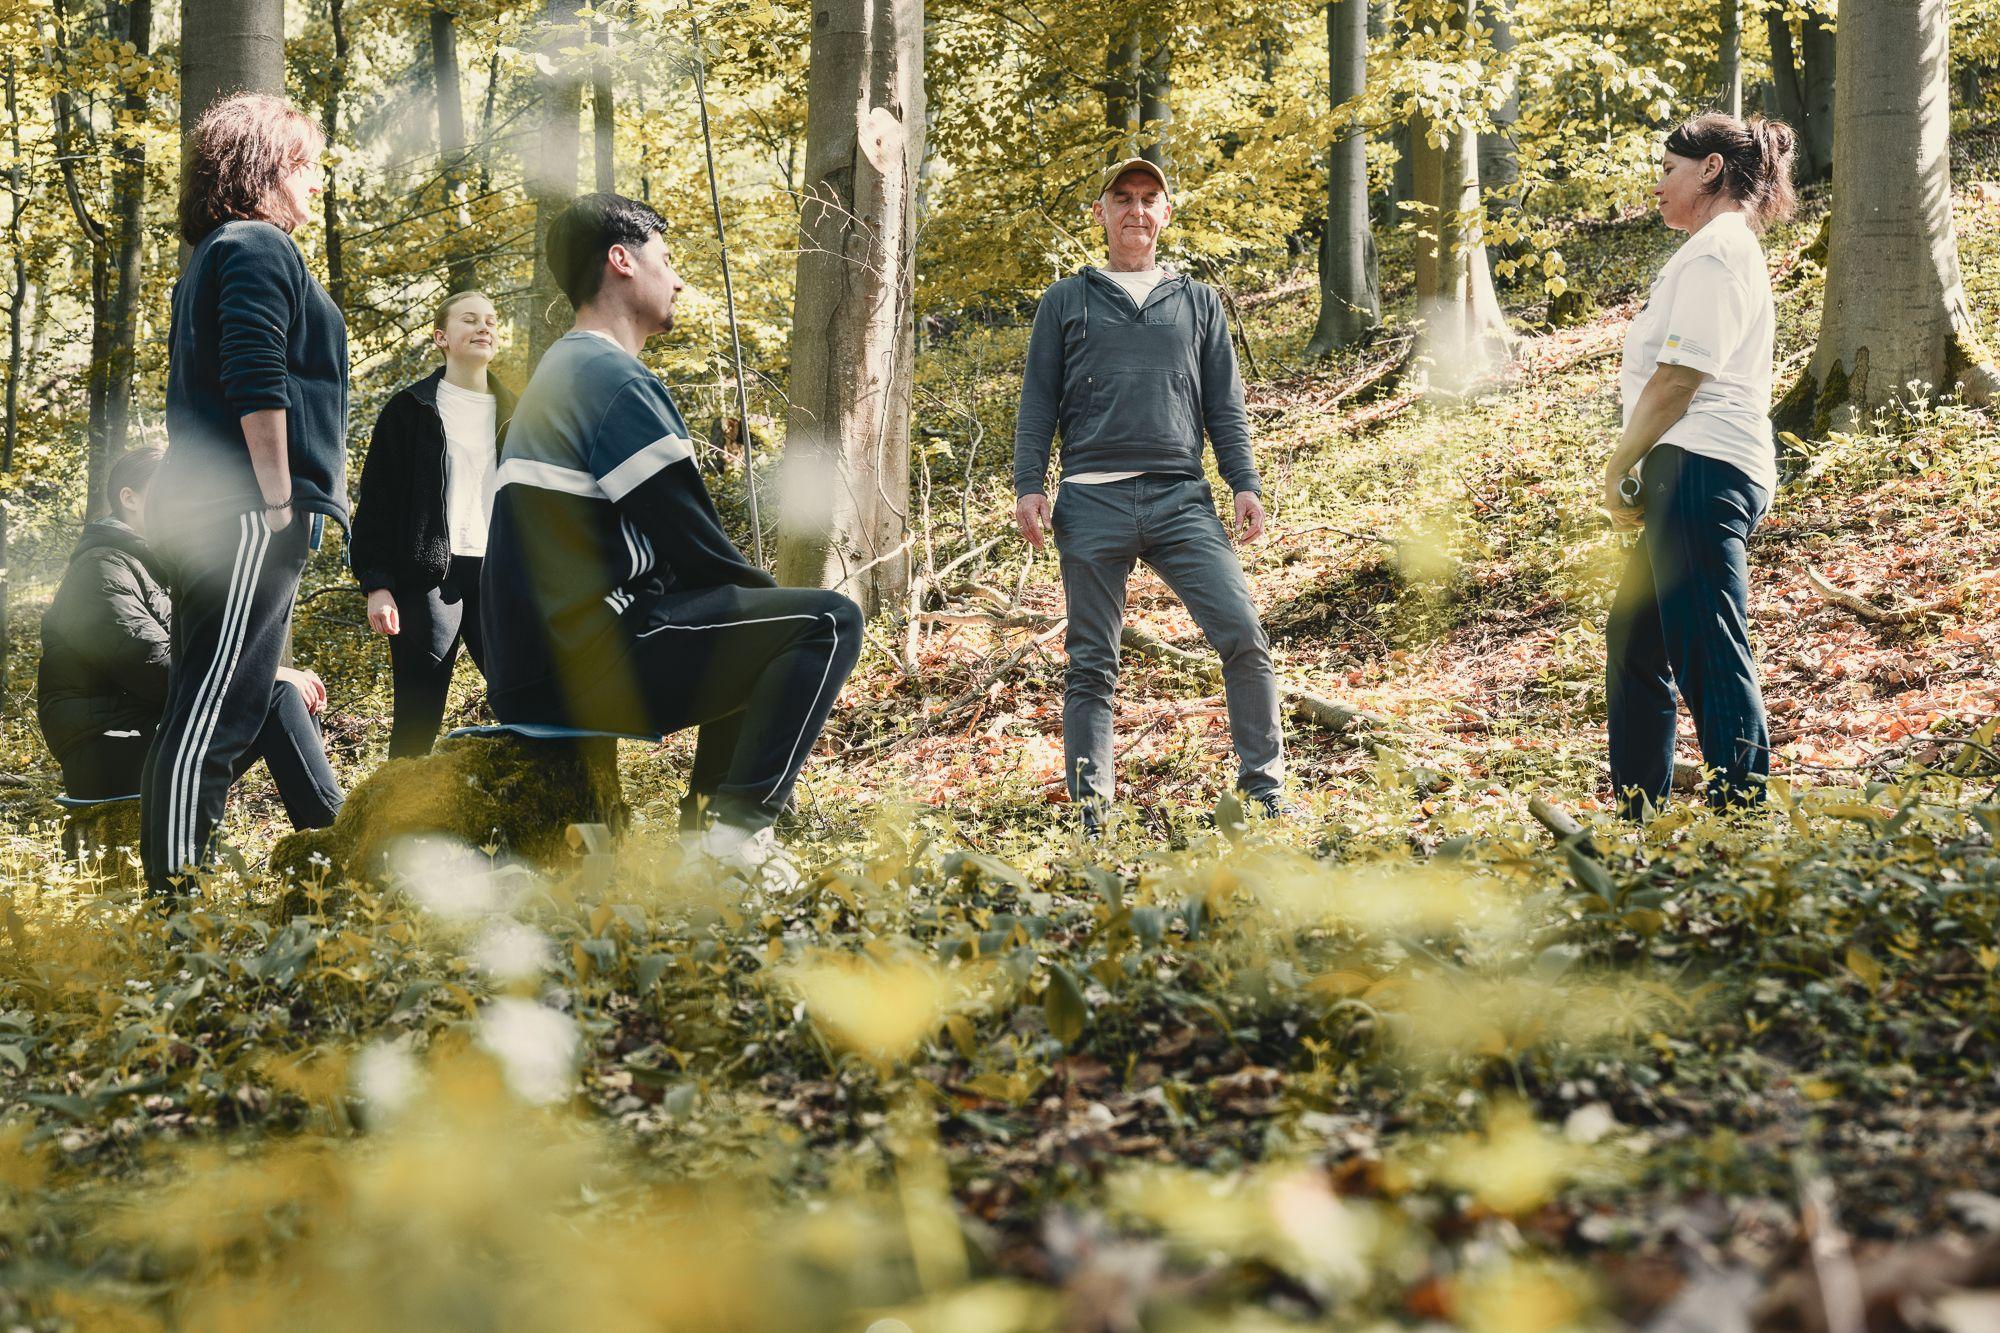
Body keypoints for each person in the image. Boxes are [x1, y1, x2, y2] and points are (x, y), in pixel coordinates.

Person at [480, 192, 861, 883]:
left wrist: (756, 612)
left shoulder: (561, 375)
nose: (678, 276)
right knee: (825, 623)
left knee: (758, 616)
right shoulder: (607, 379)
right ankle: (732, 838)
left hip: (538, 665)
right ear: (621, 262)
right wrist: (774, 616)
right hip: (582, 660)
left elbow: (687, 559)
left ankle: (707, 838)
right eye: (667, 257)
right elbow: (696, 543)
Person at [1012, 157, 1284, 833]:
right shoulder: (1065, 301)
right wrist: (1028, 484)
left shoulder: (1197, 301)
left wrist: (1243, 481)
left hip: (1180, 501)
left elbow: (1225, 404)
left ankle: (1264, 793)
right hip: (1090, 503)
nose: (1136, 210)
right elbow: (1037, 401)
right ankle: (1091, 814)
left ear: (1166, 214)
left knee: (1243, 634)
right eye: (1123, 198)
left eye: (1149, 199)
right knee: (1091, 664)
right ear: (1101, 213)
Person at [140, 92, 350, 895]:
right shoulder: (259, 245)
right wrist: (276, 498)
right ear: (265, 167)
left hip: (213, 511)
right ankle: (176, 911)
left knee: (226, 697)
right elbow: (257, 377)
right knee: (212, 719)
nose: (315, 185)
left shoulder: (215, 255)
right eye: (306, 167)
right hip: (245, 512)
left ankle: (182, 896)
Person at [1604, 112, 1797, 817]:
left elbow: (1680, 378)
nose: (1657, 185)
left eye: (1667, 169)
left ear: (1710, 169)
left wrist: (1619, 463)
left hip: (1702, 467)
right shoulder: (1708, 251)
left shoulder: (1719, 250)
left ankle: (1741, 821)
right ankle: (1638, 817)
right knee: (1635, 642)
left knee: (1708, 647)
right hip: (1683, 469)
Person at [38, 447, 343, 828]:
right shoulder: (100, 570)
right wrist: (271, 675)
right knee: (276, 696)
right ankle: (338, 829)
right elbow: (156, 666)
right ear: (129, 498)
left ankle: (319, 846)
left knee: (287, 695)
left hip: (147, 731)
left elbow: (200, 649)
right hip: (107, 749)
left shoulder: (152, 568)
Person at [350, 290, 515, 757]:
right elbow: (377, 503)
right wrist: (377, 584)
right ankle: (399, 825)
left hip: (498, 576)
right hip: (428, 579)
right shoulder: (409, 410)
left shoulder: (519, 412)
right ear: (441, 337)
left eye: (490, 320)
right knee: (417, 721)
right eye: (469, 320)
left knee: (525, 701)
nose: (484, 327)